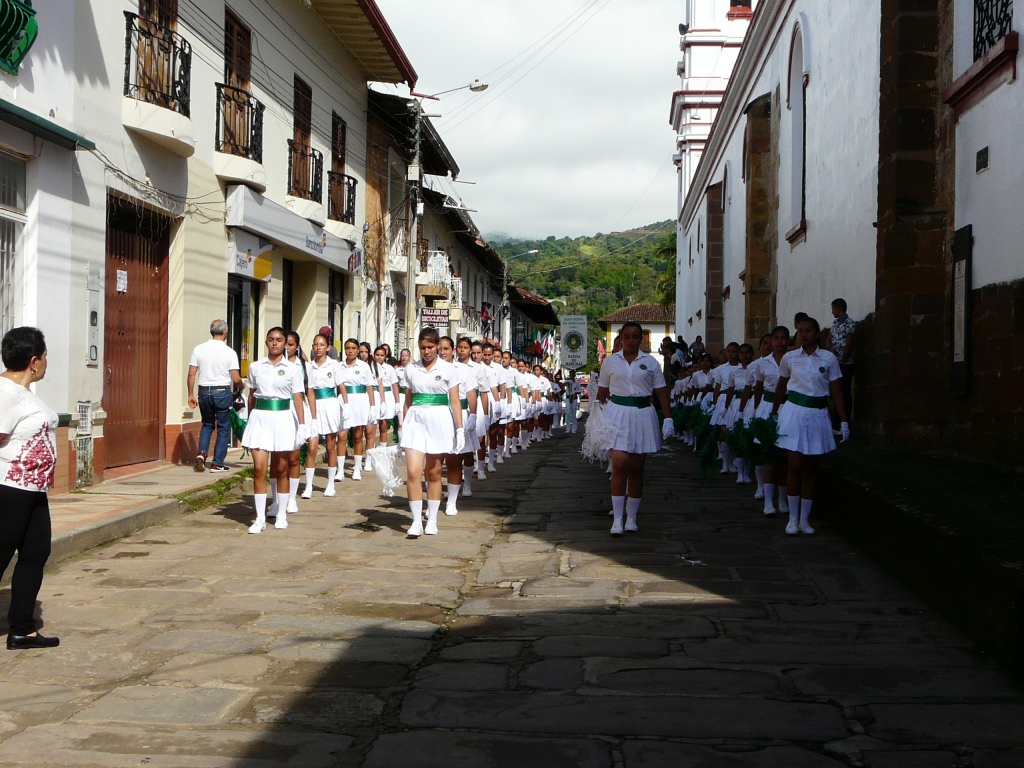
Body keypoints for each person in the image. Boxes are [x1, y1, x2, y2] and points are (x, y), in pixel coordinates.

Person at [0, 327, 60, 649]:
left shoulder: (22, 393)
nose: (47, 362)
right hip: (9, 490)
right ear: (34, 361)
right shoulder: (5, 392)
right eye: (46, 356)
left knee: (36, 553)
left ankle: (22, 628)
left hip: (33, 491)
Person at [771, 316, 849, 535]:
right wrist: (773, 413)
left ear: (817, 333)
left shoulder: (828, 358)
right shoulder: (790, 358)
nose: (803, 334)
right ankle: (792, 517)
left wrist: (844, 421)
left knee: (810, 469)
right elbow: (781, 386)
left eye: (808, 330)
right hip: (794, 413)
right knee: (794, 465)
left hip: (817, 415)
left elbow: (836, 391)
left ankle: (805, 519)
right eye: (800, 331)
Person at [596, 322, 675, 535]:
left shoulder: (650, 362)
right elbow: (602, 393)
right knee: (620, 463)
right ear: (621, 338)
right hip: (617, 414)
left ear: (642, 339)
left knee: (637, 468)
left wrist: (668, 418)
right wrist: (596, 420)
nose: (631, 341)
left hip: (642, 414)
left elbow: (661, 391)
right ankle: (617, 519)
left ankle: (631, 518)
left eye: (635, 337)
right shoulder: (610, 362)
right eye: (627, 336)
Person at [242, 327, 308, 533]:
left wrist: (303, 425)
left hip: (282, 418)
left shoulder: (293, 369)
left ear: (285, 343)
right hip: (260, 418)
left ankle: (281, 513)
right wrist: (248, 418)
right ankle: (260, 518)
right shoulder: (255, 367)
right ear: (266, 342)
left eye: (279, 340)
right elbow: (252, 394)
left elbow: (298, 397)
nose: (275, 343)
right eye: (271, 339)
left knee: (281, 469)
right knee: (259, 469)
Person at [400, 328, 465, 537]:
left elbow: (455, 400)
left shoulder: (448, 369)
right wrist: (402, 426)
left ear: (437, 346)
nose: (426, 352)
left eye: (430, 347)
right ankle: (417, 521)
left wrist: (460, 429)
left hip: (439, 420)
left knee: (434, 472)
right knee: (413, 471)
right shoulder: (411, 369)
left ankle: (433, 519)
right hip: (416, 421)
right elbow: (407, 401)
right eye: (422, 348)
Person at [187, 319, 243, 473]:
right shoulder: (229, 352)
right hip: (222, 392)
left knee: (207, 424)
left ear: (211, 331)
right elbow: (236, 378)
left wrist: (190, 394)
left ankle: (201, 454)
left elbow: (192, 373)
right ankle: (217, 463)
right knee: (224, 428)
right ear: (225, 332)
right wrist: (242, 387)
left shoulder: (199, 349)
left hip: (204, 391)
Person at [301, 334, 349, 498]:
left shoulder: (334, 365)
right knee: (312, 447)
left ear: (327, 347)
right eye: (315, 345)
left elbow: (341, 386)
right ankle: (308, 485)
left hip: (330, 404)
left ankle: (330, 484)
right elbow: (310, 391)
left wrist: (346, 405)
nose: (318, 347)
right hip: (315, 406)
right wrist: (313, 417)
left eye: (321, 345)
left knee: (330, 446)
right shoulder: (309, 366)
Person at [438, 336, 478, 516]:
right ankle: (434, 500)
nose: (442, 352)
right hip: (436, 416)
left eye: (446, 349)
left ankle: (452, 501)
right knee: (434, 463)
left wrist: (473, 415)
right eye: (440, 348)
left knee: (455, 460)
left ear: (452, 350)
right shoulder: (429, 368)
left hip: (458, 414)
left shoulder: (463, 370)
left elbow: (471, 394)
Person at [338, 338, 375, 480]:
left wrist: (372, 406)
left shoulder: (364, 366)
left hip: (360, 400)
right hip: (344, 400)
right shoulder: (339, 366)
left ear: (358, 349)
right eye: (347, 348)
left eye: (353, 348)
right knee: (342, 435)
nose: (350, 351)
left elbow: (369, 387)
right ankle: (340, 470)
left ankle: (357, 468)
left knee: (358, 435)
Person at [828, 298, 856, 424]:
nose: (832, 311)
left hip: (845, 363)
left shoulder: (850, 323)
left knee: (844, 391)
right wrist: (830, 348)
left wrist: (843, 361)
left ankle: (845, 421)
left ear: (839, 308)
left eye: (833, 308)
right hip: (835, 362)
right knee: (835, 391)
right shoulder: (834, 324)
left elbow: (849, 344)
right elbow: (828, 339)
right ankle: (836, 420)